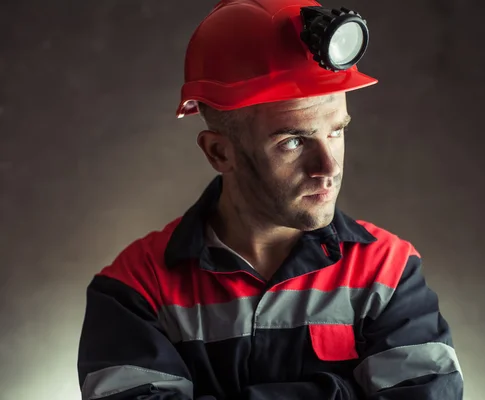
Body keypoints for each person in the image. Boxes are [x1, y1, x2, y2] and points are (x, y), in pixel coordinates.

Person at [76, 0, 464, 399]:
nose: (327, 167)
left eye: (336, 131)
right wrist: (341, 392)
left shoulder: (388, 271)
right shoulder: (135, 289)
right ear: (219, 153)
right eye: (293, 141)